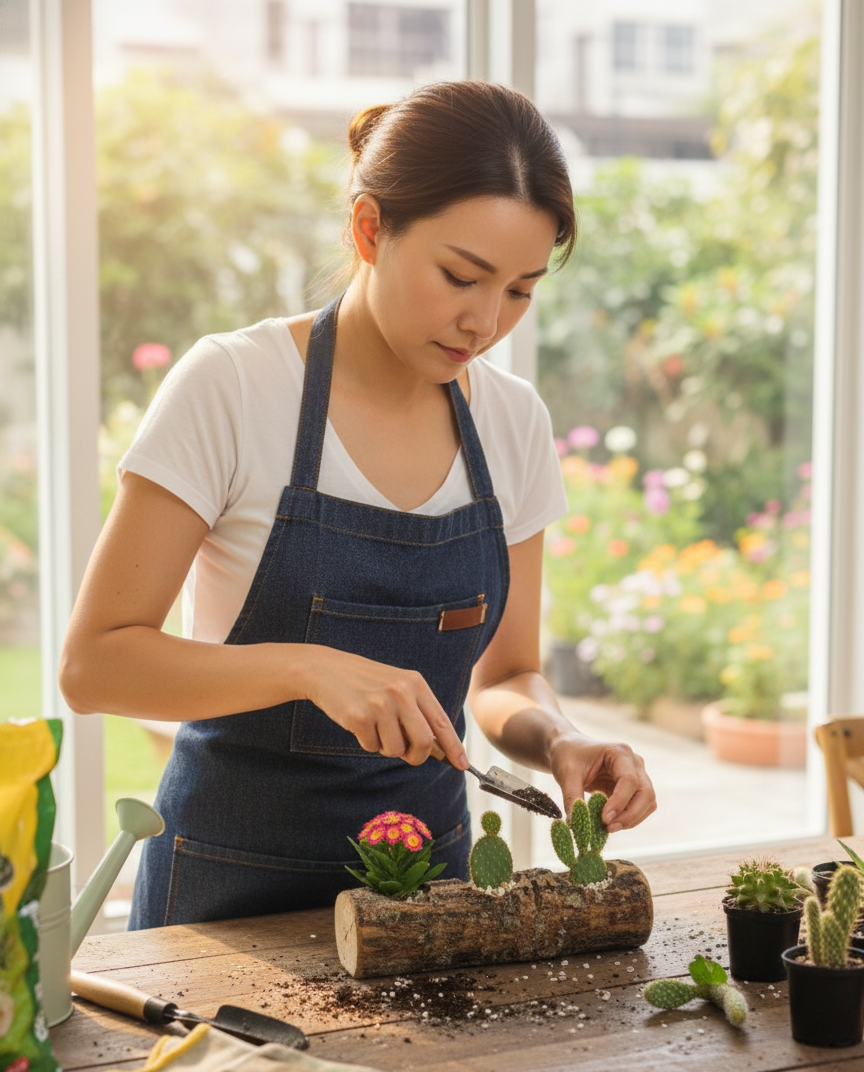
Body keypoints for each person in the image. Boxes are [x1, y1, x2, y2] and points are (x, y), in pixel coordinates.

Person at [60, 80, 656, 929]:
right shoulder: (235, 385)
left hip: (427, 895)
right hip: (226, 898)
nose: (485, 320)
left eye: (521, 289)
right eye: (461, 275)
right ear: (369, 228)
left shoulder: (512, 421)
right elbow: (95, 665)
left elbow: (507, 674)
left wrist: (559, 738)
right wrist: (308, 666)